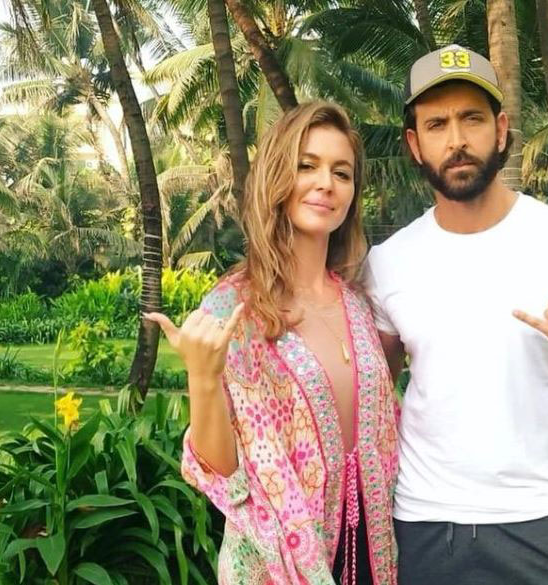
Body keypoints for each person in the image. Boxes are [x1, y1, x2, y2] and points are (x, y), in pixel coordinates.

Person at [364, 45, 548, 585]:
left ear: (500, 131)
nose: (456, 139)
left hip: (541, 525)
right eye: (437, 124)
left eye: (472, 119)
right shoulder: (387, 263)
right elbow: (368, 398)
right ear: (414, 143)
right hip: (427, 530)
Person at [145, 101, 400, 585]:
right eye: (307, 166)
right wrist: (202, 376)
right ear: (277, 176)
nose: (326, 183)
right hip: (277, 564)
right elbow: (224, 472)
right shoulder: (234, 308)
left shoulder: (358, 303)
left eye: (341, 172)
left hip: (372, 554)